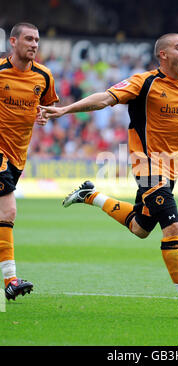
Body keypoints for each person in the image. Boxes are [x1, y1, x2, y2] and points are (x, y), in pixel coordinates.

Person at [42, 33, 178, 318]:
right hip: (147, 166)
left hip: (172, 169)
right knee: (172, 227)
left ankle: (90, 195)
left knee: (140, 227)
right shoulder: (145, 83)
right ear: (163, 55)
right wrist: (66, 109)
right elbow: (105, 99)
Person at [0, 23, 59, 300]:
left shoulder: (44, 76)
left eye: (37, 39)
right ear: (13, 41)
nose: (34, 44)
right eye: (28, 39)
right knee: (8, 210)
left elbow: (47, 107)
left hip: (18, 155)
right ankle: (10, 279)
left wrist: (44, 115)